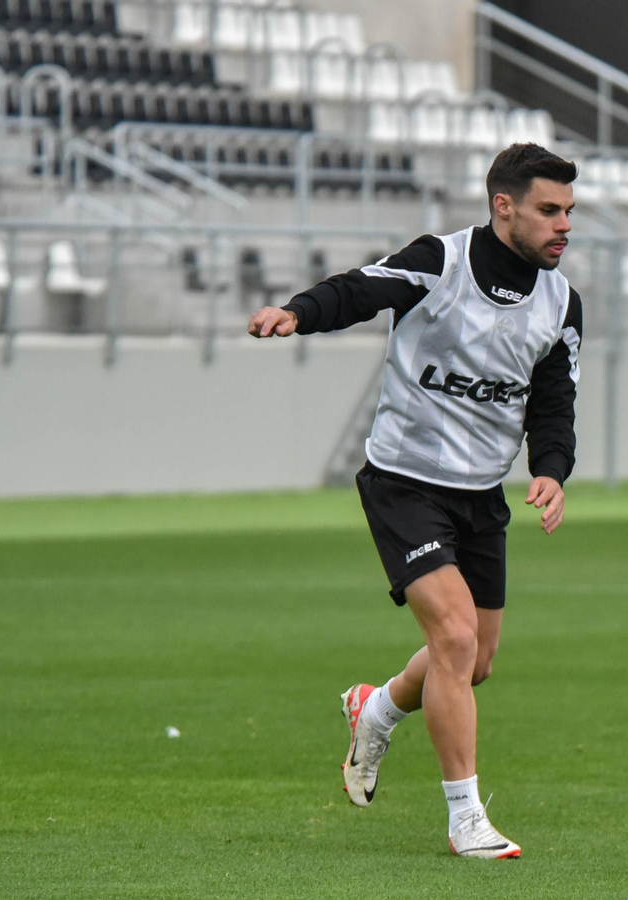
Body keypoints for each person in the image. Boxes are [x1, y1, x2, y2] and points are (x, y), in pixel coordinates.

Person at [246, 143, 583, 856]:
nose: (563, 226)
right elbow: (360, 290)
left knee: (475, 659)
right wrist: (299, 313)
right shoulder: (442, 261)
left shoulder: (560, 302)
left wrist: (551, 468)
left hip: (480, 494)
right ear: (504, 207)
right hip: (404, 482)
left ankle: (376, 708)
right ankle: (466, 818)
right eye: (549, 211)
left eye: (569, 213)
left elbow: (555, 401)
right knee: (455, 638)